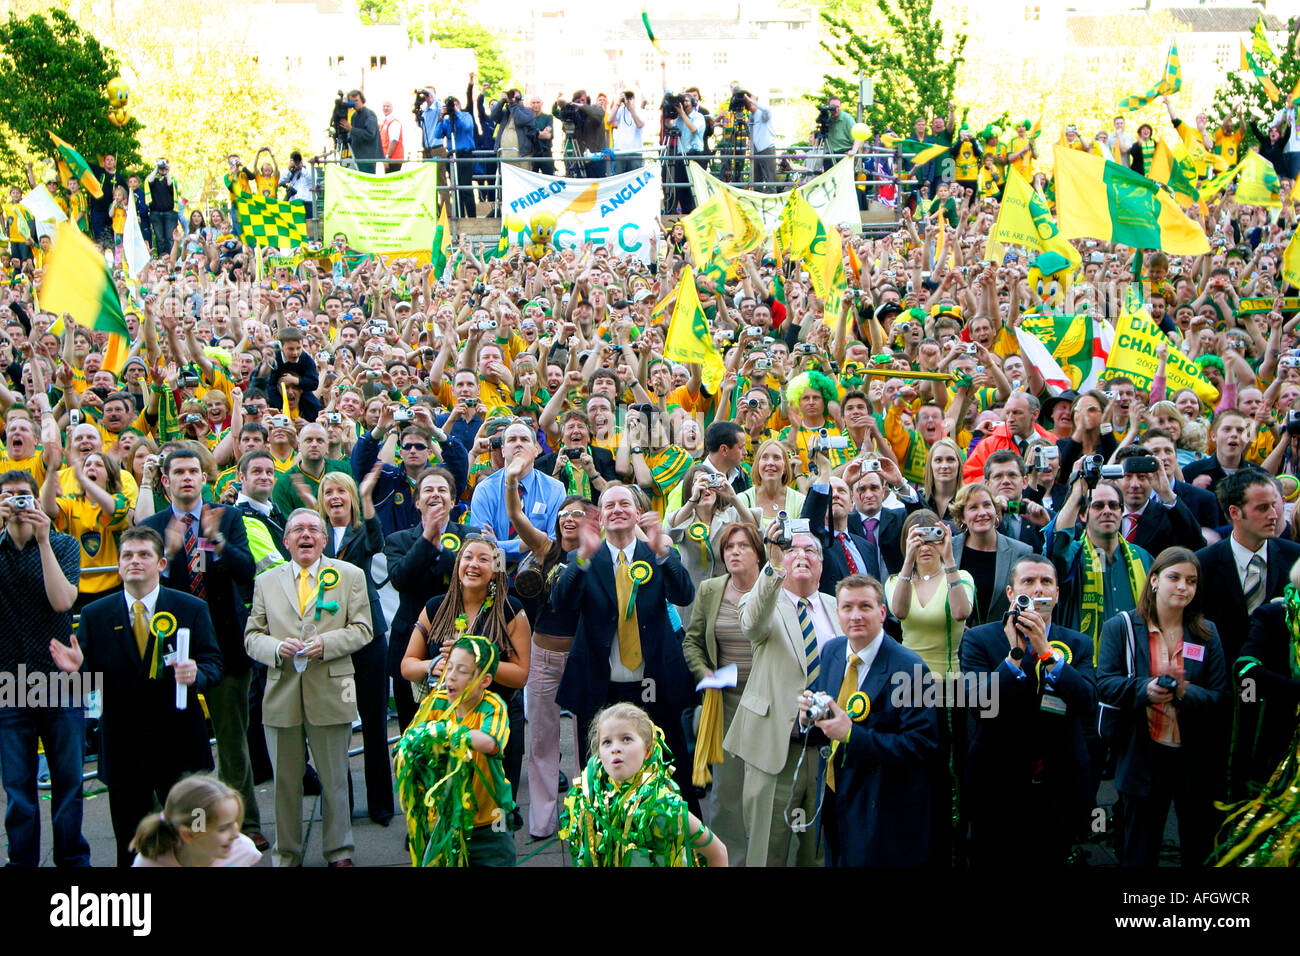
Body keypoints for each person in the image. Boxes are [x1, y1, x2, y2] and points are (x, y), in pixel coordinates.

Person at [54, 527, 223, 866]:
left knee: (195, 834)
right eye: (127, 555)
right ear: (118, 566)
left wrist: (197, 674)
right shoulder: (95, 615)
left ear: (160, 563)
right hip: (124, 748)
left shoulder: (189, 608)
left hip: (181, 744)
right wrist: (76, 672)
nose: (135, 562)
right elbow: (90, 687)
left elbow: (214, 663)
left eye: (144, 555)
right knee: (131, 844)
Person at [138, 448, 264, 850]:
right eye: (179, 472)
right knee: (170, 742)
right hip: (170, 650)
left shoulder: (227, 518)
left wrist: (216, 541)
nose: (188, 477)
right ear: (166, 480)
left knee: (232, 743)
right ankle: (173, 831)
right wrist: (171, 552)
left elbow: (248, 570)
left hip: (225, 643)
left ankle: (242, 825)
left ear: (204, 477)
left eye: (194, 471)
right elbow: (143, 583)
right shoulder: (155, 526)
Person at [554, 483, 698, 816]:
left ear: (637, 512)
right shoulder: (587, 557)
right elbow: (561, 603)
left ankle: (679, 839)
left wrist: (663, 552)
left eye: (625, 504)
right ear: (600, 517)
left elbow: (684, 595)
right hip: (601, 684)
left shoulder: (656, 552)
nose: (617, 509)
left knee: (670, 767)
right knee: (602, 775)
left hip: (654, 683)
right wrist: (583, 559)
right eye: (609, 505)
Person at [243, 508, 374, 867]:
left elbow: (364, 628)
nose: (305, 535)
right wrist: (274, 648)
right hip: (281, 691)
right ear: (285, 540)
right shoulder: (266, 581)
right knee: (285, 784)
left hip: (331, 689)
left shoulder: (349, 575)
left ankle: (339, 852)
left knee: (334, 780)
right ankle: (286, 855)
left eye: (313, 529)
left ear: (324, 539)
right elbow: (252, 636)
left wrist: (327, 644)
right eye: (297, 529)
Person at [960, 554, 1096, 867]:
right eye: (1028, 582)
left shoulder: (1079, 643)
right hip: (996, 785)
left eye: (1046, 582)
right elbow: (978, 704)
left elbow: (1087, 703)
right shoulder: (980, 639)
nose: (1037, 590)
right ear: (1011, 593)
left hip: (1057, 784)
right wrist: (1016, 654)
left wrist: (1047, 652)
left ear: (1058, 594)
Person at [1097, 547, 1228, 867]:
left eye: (1192, 581)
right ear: (1154, 580)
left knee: (1198, 850)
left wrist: (1184, 692)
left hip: (1192, 759)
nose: (1184, 587)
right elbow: (1104, 684)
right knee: (1139, 852)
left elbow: (1221, 699)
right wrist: (1147, 688)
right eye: (1175, 578)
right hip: (1142, 754)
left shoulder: (1207, 634)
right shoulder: (1122, 627)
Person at [798, 573, 939, 866]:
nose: (856, 616)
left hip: (881, 808)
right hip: (835, 796)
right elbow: (827, 712)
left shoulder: (911, 668)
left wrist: (852, 735)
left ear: (882, 612)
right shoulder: (833, 651)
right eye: (847, 607)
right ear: (837, 613)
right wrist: (807, 718)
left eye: (865, 606)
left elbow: (921, 745)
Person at [722, 525, 834, 867]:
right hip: (776, 750)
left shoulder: (837, 606)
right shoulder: (765, 601)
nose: (801, 555)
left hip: (825, 752)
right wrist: (772, 566)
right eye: (792, 550)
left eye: (810, 551)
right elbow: (753, 624)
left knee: (815, 855)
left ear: (821, 563)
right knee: (766, 853)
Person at [399, 533, 530, 819]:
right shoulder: (436, 607)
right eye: (468, 557)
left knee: (494, 812)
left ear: (496, 570)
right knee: (447, 806)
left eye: (484, 559)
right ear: (458, 565)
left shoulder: (512, 611)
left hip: (497, 719)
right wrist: (432, 664)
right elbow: (407, 665)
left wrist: (474, 661)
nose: (474, 564)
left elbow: (521, 675)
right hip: (444, 717)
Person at [0, 470, 89, 867]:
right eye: (8, 497)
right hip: (8, 682)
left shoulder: (63, 544)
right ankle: (22, 863)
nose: (17, 503)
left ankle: (72, 861)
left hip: (58, 681)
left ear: (37, 501)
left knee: (69, 782)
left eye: (23, 496)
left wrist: (42, 541)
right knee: (18, 789)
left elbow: (62, 601)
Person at [885, 509, 973, 865]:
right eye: (916, 537)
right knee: (910, 773)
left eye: (932, 536)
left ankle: (948, 851)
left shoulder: (961, 575)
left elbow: (961, 613)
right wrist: (908, 563)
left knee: (946, 775)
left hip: (949, 690)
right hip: (907, 689)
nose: (925, 545)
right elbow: (899, 612)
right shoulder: (896, 580)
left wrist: (949, 561)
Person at [507, 481, 586, 839]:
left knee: (588, 739)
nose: (570, 518)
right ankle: (543, 820)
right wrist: (512, 481)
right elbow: (515, 515)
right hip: (543, 655)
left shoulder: (597, 555)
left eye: (578, 514)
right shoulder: (545, 548)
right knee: (541, 739)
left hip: (583, 656)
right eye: (565, 514)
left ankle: (588, 815)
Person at [683, 521, 765, 865]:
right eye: (729, 547)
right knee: (726, 794)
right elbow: (692, 641)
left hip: (769, 703)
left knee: (766, 791)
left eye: (742, 546)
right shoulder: (711, 589)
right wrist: (706, 674)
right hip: (726, 703)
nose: (734, 552)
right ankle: (727, 860)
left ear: (758, 554)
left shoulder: (774, 587)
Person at [394, 636, 515, 866]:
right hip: (444, 819)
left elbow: (490, 743)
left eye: (461, 670)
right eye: (448, 667)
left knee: (497, 859)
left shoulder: (492, 706)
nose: (450, 676)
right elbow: (405, 744)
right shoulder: (436, 702)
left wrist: (447, 732)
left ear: (484, 680)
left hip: (489, 819)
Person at [559, 702, 727, 866]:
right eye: (607, 742)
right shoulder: (589, 803)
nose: (615, 748)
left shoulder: (663, 805)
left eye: (626, 739)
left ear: (647, 750)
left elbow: (718, 852)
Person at [317, 468, 393, 825]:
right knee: (336, 726)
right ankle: (340, 806)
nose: (335, 498)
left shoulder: (364, 531)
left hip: (368, 637)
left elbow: (377, 541)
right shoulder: (314, 536)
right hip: (331, 640)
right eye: (328, 492)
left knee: (375, 722)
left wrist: (366, 498)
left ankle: (380, 804)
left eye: (341, 492)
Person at [383, 466, 473, 733]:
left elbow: (473, 580)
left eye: (442, 490)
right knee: (412, 728)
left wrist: (442, 545)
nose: (436, 495)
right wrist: (426, 540)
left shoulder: (471, 535)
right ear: (417, 501)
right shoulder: (397, 540)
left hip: (459, 638)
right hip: (410, 643)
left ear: (453, 500)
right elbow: (400, 579)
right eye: (428, 490)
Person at [1195, 470, 1300, 668]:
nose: (1274, 515)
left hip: (1284, 682)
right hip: (1225, 681)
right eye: (1262, 508)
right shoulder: (1203, 564)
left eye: (1273, 505)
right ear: (1235, 512)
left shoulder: (1295, 559)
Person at [1051, 477, 1153, 645]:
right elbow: (1057, 545)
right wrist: (1078, 491)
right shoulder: (1073, 555)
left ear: (1121, 513)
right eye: (1098, 506)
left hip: (1135, 656)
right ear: (1082, 514)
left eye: (1114, 506)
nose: (1107, 511)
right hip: (1086, 662)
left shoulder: (1142, 558)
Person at [469, 419, 565, 559]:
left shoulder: (555, 489)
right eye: (512, 439)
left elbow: (553, 546)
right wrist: (535, 541)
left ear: (535, 450)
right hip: (496, 570)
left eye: (524, 439)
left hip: (538, 572)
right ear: (502, 450)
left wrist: (497, 545)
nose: (518, 444)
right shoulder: (485, 489)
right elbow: (481, 548)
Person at [130, 775, 261, 867]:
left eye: (235, 822)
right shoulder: (150, 863)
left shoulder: (242, 850)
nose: (236, 834)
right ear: (188, 834)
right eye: (223, 828)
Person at [949, 482, 1031, 626]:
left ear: (996, 511)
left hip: (1001, 639)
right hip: (954, 640)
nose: (982, 512)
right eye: (973, 507)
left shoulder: (1021, 552)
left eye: (987, 505)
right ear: (962, 516)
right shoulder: (948, 549)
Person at [1111, 445, 1206, 555]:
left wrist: (1166, 493)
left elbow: (1197, 543)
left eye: (1142, 477)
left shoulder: (1168, 516)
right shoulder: (1106, 513)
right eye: (1127, 476)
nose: (1135, 484)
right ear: (1116, 480)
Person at [144, 159, 179, 257]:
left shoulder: (171, 178)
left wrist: (167, 172)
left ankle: (171, 260)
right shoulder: (153, 179)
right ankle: (161, 259)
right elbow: (148, 180)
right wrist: (156, 168)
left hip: (170, 212)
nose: (162, 168)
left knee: (170, 238)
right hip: (156, 212)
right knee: (160, 239)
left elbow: (170, 184)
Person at [342, 89, 381, 174]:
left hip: (367, 158)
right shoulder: (354, 116)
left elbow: (370, 134)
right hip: (357, 156)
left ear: (362, 100)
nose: (355, 103)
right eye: (352, 101)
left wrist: (352, 129)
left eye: (357, 100)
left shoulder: (369, 114)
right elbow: (353, 135)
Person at [609, 91, 646, 174]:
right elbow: (610, 120)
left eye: (631, 98)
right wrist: (617, 103)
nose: (629, 100)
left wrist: (632, 110)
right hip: (620, 151)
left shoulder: (640, 111)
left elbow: (639, 125)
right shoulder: (620, 110)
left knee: (634, 180)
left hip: (635, 152)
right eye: (627, 98)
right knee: (618, 179)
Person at [379, 101, 405, 172]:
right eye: (384, 106)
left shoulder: (393, 122)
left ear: (392, 108)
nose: (385, 108)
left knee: (393, 180)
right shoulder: (385, 122)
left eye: (388, 106)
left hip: (394, 159)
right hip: (390, 158)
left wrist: (387, 157)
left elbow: (393, 141)